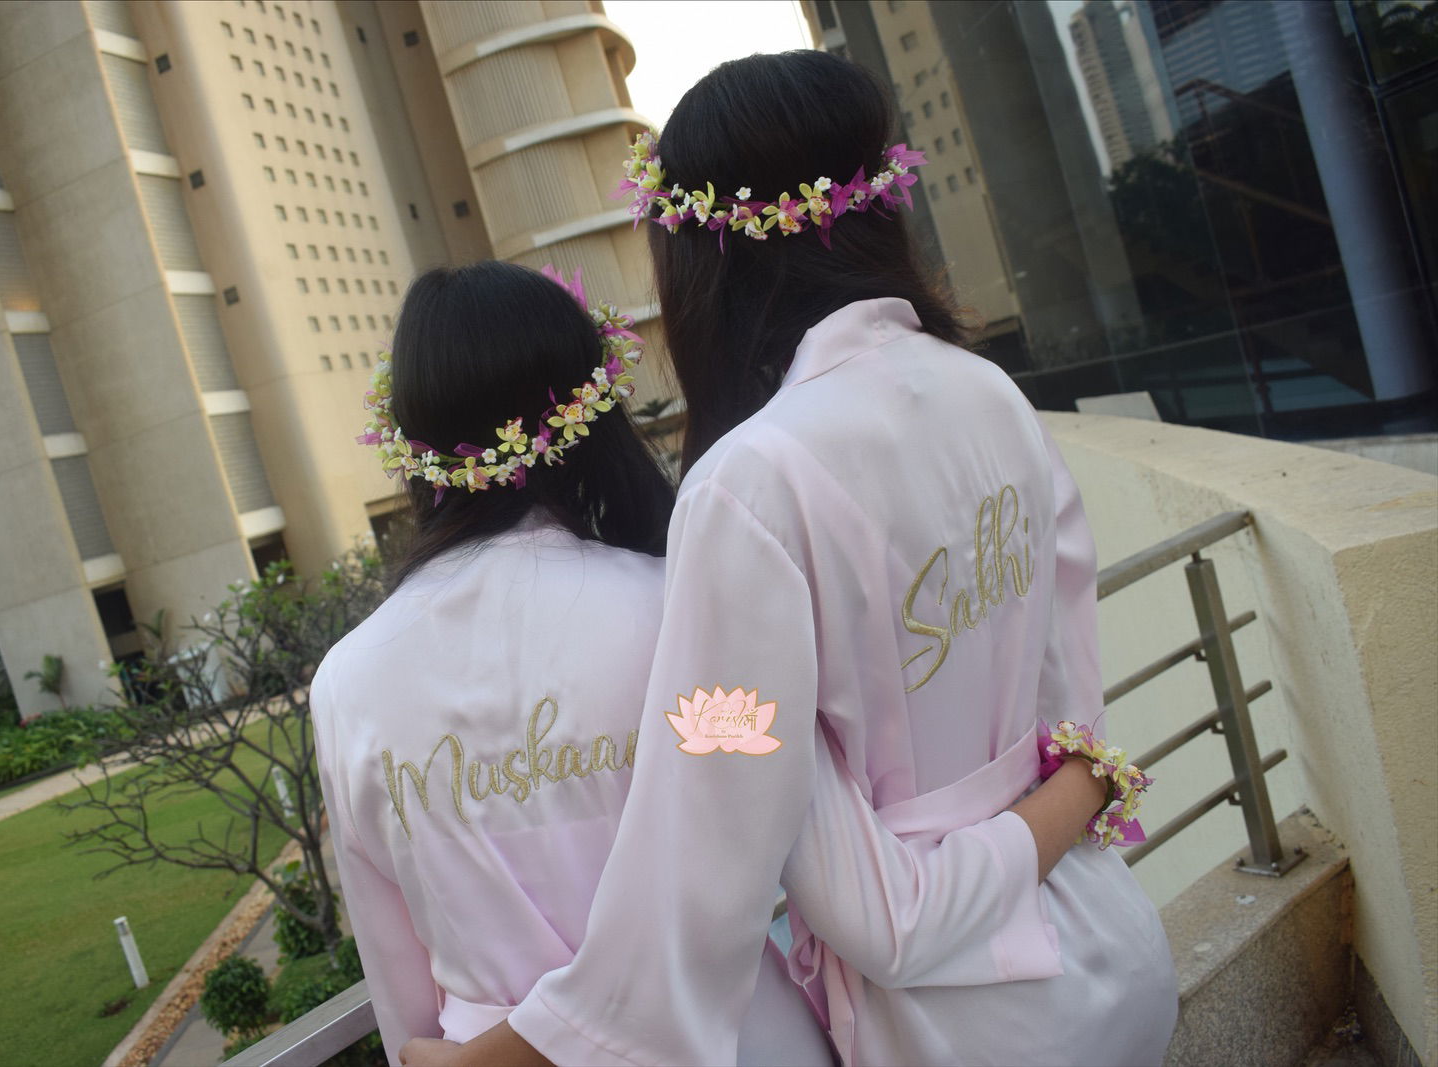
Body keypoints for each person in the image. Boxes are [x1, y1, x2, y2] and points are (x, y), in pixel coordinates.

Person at [402, 51, 1178, 1067]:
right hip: (1114, 951)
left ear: (699, 256)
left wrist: (521, 1049)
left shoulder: (749, 487)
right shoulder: (987, 390)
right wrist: (1082, 788)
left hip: (966, 1026)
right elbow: (1074, 726)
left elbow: (724, 840)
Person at [308, 260, 834, 1065]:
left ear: (413, 442)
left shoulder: (347, 683)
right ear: (587, 411)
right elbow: (758, 850)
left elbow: (398, 987)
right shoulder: (676, 603)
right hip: (731, 1036)